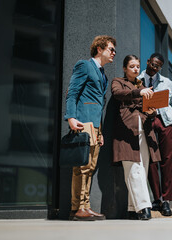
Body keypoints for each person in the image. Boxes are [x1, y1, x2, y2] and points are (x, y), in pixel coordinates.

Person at [64, 35, 116, 221]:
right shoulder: (84, 65)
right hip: (83, 122)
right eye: (111, 49)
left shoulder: (102, 73)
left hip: (95, 125)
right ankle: (77, 207)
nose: (114, 53)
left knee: (90, 166)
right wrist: (70, 117)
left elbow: (98, 104)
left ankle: (85, 206)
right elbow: (72, 93)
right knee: (82, 167)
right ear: (99, 49)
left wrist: (100, 131)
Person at [111, 55, 161, 220]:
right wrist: (140, 91)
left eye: (137, 66)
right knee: (133, 171)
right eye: (132, 66)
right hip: (126, 133)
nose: (135, 69)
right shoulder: (118, 81)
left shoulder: (144, 85)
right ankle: (145, 207)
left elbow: (150, 110)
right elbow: (118, 94)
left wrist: (152, 111)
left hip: (145, 132)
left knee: (142, 170)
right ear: (125, 68)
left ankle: (133, 209)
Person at [138, 53, 172, 216]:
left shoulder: (167, 83)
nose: (154, 68)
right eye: (153, 64)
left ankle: (167, 201)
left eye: (158, 66)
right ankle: (157, 199)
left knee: (167, 160)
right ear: (148, 61)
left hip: (164, 122)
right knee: (150, 160)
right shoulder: (138, 80)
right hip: (146, 122)